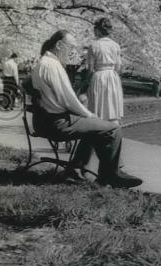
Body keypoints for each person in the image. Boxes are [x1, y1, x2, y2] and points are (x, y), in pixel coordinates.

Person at [30, 30, 142, 188]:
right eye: (71, 47)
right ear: (59, 45)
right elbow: (68, 100)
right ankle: (110, 175)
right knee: (113, 128)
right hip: (57, 124)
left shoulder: (44, 63)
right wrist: (89, 115)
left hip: (45, 121)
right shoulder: (52, 66)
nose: (73, 53)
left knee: (93, 127)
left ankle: (78, 167)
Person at [86, 18, 124, 123]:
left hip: (98, 76)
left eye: (95, 28)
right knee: (112, 108)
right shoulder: (116, 45)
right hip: (113, 77)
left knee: (97, 108)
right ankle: (114, 135)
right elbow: (118, 67)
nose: (94, 31)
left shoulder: (93, 45)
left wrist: (85, 85)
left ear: (98, 30)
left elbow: (90, 68)